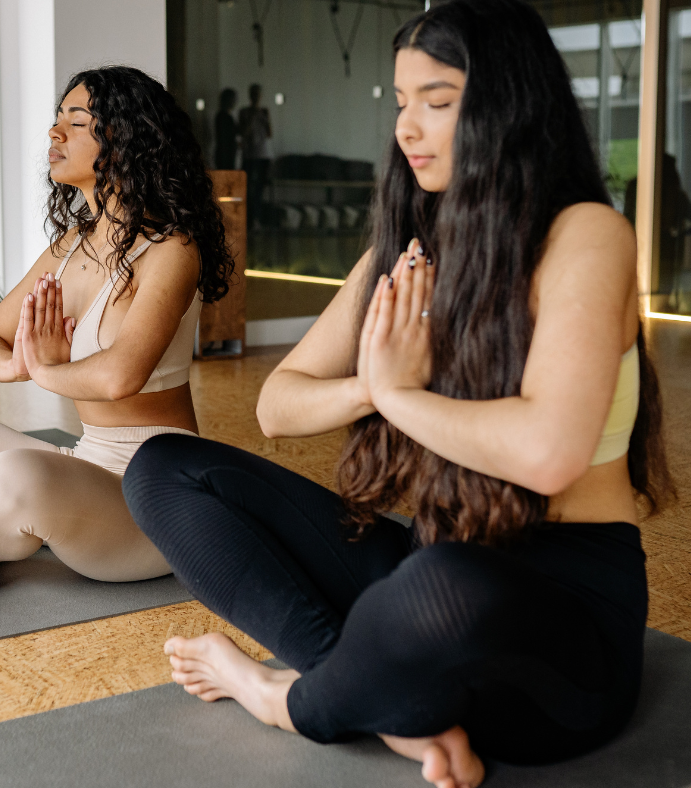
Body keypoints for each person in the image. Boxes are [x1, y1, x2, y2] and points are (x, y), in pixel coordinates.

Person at [122, 2, 674, 786]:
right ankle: (387, 705)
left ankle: (286, 695)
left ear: (507, 104)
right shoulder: (407, 242)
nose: (408, 128)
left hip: (561, 627)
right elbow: (278, 408)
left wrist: (400, 392)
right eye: (402, 103)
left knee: (441, 587)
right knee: (163, 470)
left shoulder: (585, 235)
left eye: (438, 103)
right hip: (432, 561)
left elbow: (549, 454)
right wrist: (370, 389)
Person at [0, 66, 233, 618]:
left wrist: (43, 369)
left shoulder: (172, 249)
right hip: (82, 465)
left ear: (124, 139)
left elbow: (120, 375)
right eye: (55, 120)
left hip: (155, 494)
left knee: (14, 477)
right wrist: (21, 363)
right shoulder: (70, 245)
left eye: (76, 122)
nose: (53, 134)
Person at [238, 84, 272, 228]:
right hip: (250, 155)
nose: (256, 96)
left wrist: (266, 119)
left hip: (263, 154)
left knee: (260, 187)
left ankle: (257, 218)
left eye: (258, 94)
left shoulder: (264, 111)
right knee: (247, 187)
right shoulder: (244, 112)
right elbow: (243, 133)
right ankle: (248, 218)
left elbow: (270, 133)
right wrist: (252, 118)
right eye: (253, 93)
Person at [214, 88, 238, 170]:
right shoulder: (224, 117)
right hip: (225, 154)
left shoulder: (223, 116)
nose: (235, 101)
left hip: (225, 153)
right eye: (233, 99)